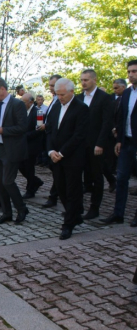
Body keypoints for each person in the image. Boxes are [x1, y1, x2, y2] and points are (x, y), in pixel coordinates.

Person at [47, 78, 89, 240]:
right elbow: (50, 130)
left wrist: (62, 153)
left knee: (73, 190)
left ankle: (68, 224)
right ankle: (75, 215)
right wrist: (51, 151)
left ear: (72, 92)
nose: (60, 97)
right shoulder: (56, 106)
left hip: (72, 157)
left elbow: (79, 135)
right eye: (57, 94)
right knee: (61, 188)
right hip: (55, 156)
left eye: (63, 94)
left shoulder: (81, 108)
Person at [0, 77, 29, 224]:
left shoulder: (17, 104)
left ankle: (22, 208)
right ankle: (6, 213)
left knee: (8, 181)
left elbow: (23, 127)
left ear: (2, 89)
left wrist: (3, 130)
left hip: (11, 149)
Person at [101, 60, 137, 227]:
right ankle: (118, 213)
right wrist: (119, 140)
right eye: (129, 71)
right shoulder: (128, 93)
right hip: (126, 142)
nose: (131, 74)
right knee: (121, 178)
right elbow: (122, 118)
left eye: (134, 71)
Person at [75, 69, 114, 220]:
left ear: (94, 80)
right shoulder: (78, 98)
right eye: (81, 80)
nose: (83, 83)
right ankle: (77, 208)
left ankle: (94, 208)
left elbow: (106, 123)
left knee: (96, 176)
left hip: (96, 144)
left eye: (86, 80)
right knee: (78, 176)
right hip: (79, 144)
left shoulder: (104, 98)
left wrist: (100, 143)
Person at [41, 74, 63, 208]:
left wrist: (47, 125)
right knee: (54, 169)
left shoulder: (62, 100)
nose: (51, 88)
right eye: (49, 85)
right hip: (49, 138)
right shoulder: (54, 100)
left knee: (58, 170)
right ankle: (55, 194)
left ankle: (54, 196)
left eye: (53, 85)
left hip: (57, 140)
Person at [19, 93, 44, 199]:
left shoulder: (37, 113)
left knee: (29, 167)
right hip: (23, 145)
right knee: (21, 166)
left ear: (30, 102)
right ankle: (36, 181)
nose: (22, 104)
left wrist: (25, 136)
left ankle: (30, 189)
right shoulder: (22, 112)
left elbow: (38, 130)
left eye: (23, 102)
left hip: (32, 145)